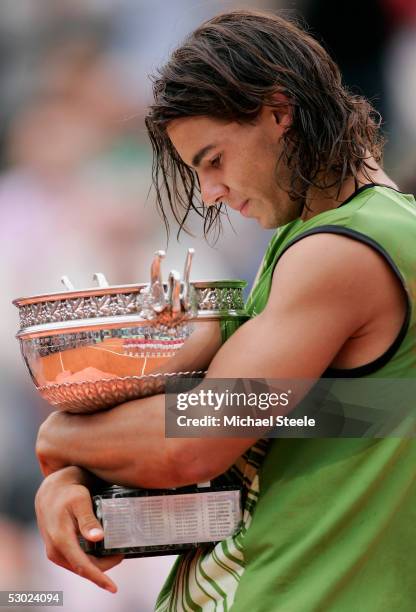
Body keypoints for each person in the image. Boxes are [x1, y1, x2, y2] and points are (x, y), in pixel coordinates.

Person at [34, 10, 416, 611]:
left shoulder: (343, 251)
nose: (209, 192)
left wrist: (61, 435)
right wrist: (80, 483)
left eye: (213, 160)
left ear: (278, 111)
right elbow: (302, 434)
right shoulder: (321, 243)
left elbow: (196, 441)